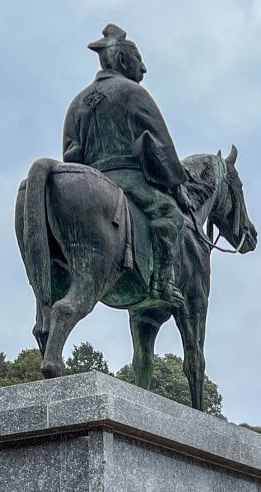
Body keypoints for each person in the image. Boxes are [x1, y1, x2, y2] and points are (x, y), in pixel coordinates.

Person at [62, 24, 190, 304]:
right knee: (171, 215)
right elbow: (160, 146)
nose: (143, 68)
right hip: (128, 180)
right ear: (122, 59)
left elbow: (70, 155)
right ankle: (162, 284)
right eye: (138, 59)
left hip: (88, 181)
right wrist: (176, 185)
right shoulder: (132, 92)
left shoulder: (77, 103)